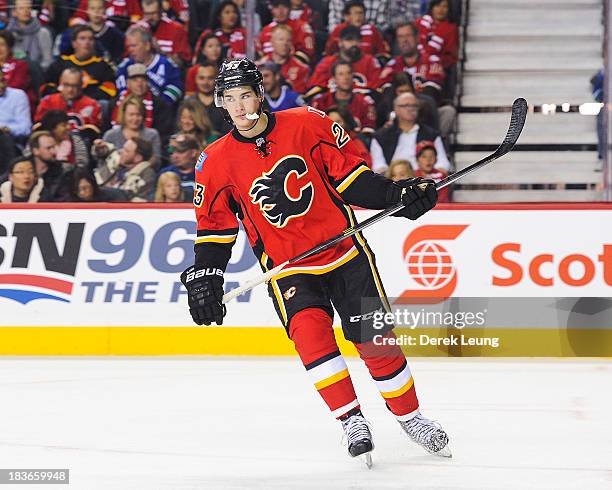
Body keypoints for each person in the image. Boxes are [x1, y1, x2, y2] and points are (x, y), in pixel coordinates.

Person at [181, 58, 450, 463]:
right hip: (289, 268)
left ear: (260, 95)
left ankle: (410, 417)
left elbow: (351, 179)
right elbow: (215, 230)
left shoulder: (307, 122)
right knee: (312, 339)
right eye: (230, 99)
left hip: (346, 253)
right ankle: (351, 420)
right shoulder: (215, 161)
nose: (238, 107)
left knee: (374, 341)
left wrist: (399, 196)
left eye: (245, 96)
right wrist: (206, 278)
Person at [370, 92, 450, 173]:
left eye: (414, 105)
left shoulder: (431, 134)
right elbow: (378, 165)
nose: (411, 109)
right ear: (396, 109)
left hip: (423, 179)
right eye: (406, 105)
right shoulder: (380, 136)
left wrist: (434, 175)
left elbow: (442, 163)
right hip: (394, 179)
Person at [43, 25, 117, 101]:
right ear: (74, 43)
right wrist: (63, 95)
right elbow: (46, 86)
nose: (87, 42)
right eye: (82, 38)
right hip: (62, 103)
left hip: (91, 105)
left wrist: (83, 99)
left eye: (91, 39)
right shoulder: (61, 63)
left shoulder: (102, 65)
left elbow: (110, 89)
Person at [306, 24, 381, 98]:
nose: (354, 43)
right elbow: (315, 90)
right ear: (340, 43)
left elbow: (377, 90)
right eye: (349, 40)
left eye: (357, 40)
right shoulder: (327, 62)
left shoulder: (370, 61)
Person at [116, 24, 183, 104]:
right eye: (128, 47)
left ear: (147, 45)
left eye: (134, 46)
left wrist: (159, 105)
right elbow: (122, 93)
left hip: (161, 111)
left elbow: (176, 87)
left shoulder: (167, 65)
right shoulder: (124, 67)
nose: (130, 50)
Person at [111, 63, 175, 146]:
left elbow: (163, 134)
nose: (139, 84)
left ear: (148, 82)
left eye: (143, 80)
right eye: (135, 80)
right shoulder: (115, 104)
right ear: (128, 83)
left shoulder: (160, 105)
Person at [35, 67, 103, 143]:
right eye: (66, 85)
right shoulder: (48, 102)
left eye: (74, 86)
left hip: (82, 147)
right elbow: (38, 130)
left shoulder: (92, 105)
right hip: (52, 146)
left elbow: (95, 134)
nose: (70, 90)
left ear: (81, 85)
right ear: (60, 83)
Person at [311, 60, 377, 133]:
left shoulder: (365, 103)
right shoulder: (321, 101)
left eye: (348, 73)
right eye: (341, 74)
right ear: (334, 78)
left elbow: (368, 133)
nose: (346, 78)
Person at [58, 0, 125, 64]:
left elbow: (117, 58)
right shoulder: (78, 32)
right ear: (87, 11)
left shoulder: (115, 34)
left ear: (105, 10)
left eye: (100, 8)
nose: (96, 12)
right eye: (92, 8)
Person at [103, 94, 161, 167]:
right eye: (131, 115)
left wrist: (137, 167)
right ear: (124, 115)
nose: (135, 119)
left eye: (138, 115)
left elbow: (157, 160)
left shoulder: (152, 134)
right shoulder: (110, 135)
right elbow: (102, 161)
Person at [93, 136, 156, 201]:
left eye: (126, 151)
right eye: (123, 148)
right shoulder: (119, 166)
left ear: (138, 158)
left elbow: (128, 199)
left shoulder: (147, 175)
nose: (121, 152)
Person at [325, 0, 389, 59]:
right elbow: (329, 51)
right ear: (347, 16)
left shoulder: (372, 30)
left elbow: (382, 52)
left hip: (367, 65)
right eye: (355, 13)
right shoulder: (339, 29)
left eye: (361, 13)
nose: (358, 17)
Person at [256, 24, 310, 94]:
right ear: (272, 42)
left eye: (288, 40)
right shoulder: (258, 67)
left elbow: (300, 97)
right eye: (281, 39)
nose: (285, 43)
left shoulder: (302, 69)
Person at [259, 0, 314, 64]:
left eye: (284, 7)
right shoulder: (265, 30)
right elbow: (260, 54)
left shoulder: (302, 27)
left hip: (293, 68)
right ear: (272, 10)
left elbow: (308, 54)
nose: (280, 12)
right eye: (276, 7)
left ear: (290, 8)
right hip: (267, 68)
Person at [140, 0, 192, 67]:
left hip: (168, 74)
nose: (150, 18)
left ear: (161, 11)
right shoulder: (137, 29)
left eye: (153, 13)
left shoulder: (176, 29)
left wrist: (160, 51)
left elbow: (182, 63)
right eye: (147, 14)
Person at [185, 62, 231, 135]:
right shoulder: (187, 104)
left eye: (210, 78)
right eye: (201, 78)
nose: (205, 82)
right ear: (195, 80)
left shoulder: (226, 104)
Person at [7, 0, 53, 70]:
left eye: (29, 8)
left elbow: (48, 61)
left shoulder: (42, 33)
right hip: (12, 73)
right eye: (21, 8)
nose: (26, 11)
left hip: (36, 74)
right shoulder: (8, 33)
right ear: (14, 12)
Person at [0, 69, 31, 169]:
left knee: (4, 137)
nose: (1, 85)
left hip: (10, 143)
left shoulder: (18, 96)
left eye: (2, 80)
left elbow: (26, 128)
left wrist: (6, 128)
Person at [416, 0, 459, 70]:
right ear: (432, 7)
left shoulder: (451, 29)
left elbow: (451, 56)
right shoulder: (420, 23)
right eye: (437, 6)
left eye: (444, 7)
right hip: (416, 64)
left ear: (448, 9)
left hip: (437, 68)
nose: (440, 10)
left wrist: (436, 62)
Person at [29, 130, 64, 197]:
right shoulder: (21, 166)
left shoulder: (62, 170)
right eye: (49, 148)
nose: (54, 152)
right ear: (35, 151)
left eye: (54, 147)